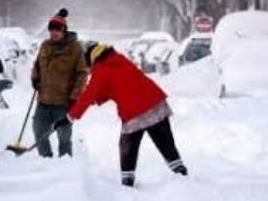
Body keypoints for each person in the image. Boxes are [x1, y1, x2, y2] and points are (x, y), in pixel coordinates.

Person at [53, 42, 188, 187]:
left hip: (135, 112)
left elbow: (90, 94)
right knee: (166, 144)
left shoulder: (101, 69)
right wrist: (84, 102)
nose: (86, 69)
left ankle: (127, 183)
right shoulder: (117, 58)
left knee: (127, 148)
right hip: (156, 105)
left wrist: (69, 117)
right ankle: (182, 176)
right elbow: (111, 88)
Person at [31, 8, 88, 157]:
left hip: (64, 102)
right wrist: (35, 78)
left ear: (64, 31)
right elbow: (37, 65)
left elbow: (82, 74)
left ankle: (65, 167)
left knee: (64, 137)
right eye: (51, 30)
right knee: (39, 131)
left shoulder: (75, 48)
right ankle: (46, 161)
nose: (53, 33)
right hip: (44, 100)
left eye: (57, 30)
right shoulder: (45, 46)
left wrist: (74, 96)